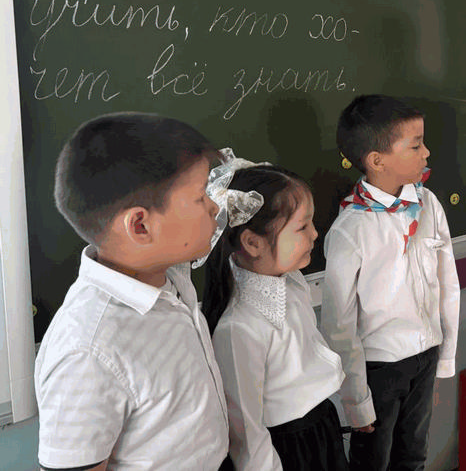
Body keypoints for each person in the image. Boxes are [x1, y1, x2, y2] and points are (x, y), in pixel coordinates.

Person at [35, 112, 228, 471]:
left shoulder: (169, 274)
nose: (215, 207)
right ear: (140, 226)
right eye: (201, 196)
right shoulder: (87, 351)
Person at [321, 94, 460, 471]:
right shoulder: (351, 228)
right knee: (373, 461)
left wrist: (445, 354)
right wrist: (356, 400)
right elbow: (338, 324)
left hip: (426, 353)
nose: (427, 152)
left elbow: (447, 282)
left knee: (413, 456)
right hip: (378, 368)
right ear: (377, 160)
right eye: (415, 145)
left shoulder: (428, 205)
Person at [202, 154, 348, 471]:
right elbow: (247, 434)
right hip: (287, 449)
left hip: (321, 427)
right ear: (253, 242)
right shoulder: (239, 328)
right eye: (302, 226)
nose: (315, 234)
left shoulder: (291, 281)